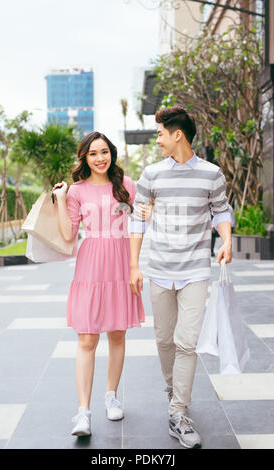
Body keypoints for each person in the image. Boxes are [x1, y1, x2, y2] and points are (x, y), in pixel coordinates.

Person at [129, 106, 234, 449]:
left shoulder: (211, 174)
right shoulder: (152, 174)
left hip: (194, 271)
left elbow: (221, 209)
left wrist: (227, 240)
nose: (157, 139)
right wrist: (134, 265)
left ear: (178, 135)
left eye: (160, 133)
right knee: (164, 341)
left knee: (186, 343)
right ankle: (174, 389)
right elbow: (137, 220)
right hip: (159, 270)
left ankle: (178, 412)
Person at [52, 131, 145, 437]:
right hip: (90, 265)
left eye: (104, 152)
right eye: (93, 153)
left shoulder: (126, 186)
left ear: (111, 153)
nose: (100, 158)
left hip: (120, 263)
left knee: (117, 333)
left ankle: (111, 396)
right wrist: (62, 198)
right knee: (87, 339)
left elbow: (139, 224)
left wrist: (135, 265)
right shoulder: (77, 191)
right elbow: (68, 235)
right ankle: (83, 412)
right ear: (85, 158)